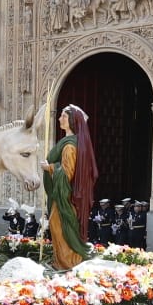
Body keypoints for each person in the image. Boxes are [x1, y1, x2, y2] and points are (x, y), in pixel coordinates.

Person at [40, 104, 98, 271]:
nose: (59, 119)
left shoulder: (70, 146)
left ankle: (68, 263)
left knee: (60, 228)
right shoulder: (69, 142)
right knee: (58, 227)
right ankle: (62, 262)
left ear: (72, 121)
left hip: (65, 197)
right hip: (62, 195)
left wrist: (49, 168)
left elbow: (67, 173)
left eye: (64, 117)